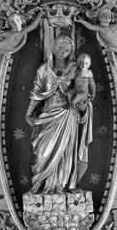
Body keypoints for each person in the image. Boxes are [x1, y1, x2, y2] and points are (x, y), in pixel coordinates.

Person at [25, 35, 94, 194]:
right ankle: (40, 185)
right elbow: (36, 91)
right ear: (53, 48)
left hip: (68, 114)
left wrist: (83, 105)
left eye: (67, 48)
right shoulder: (44, 69)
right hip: (48, 113)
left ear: (71, 51)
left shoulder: (76, 68)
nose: (63, 51)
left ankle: (59, 186)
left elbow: (84, 90)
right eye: (60, 47)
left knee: (65, 153)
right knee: (43, 153)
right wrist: (29, 113)